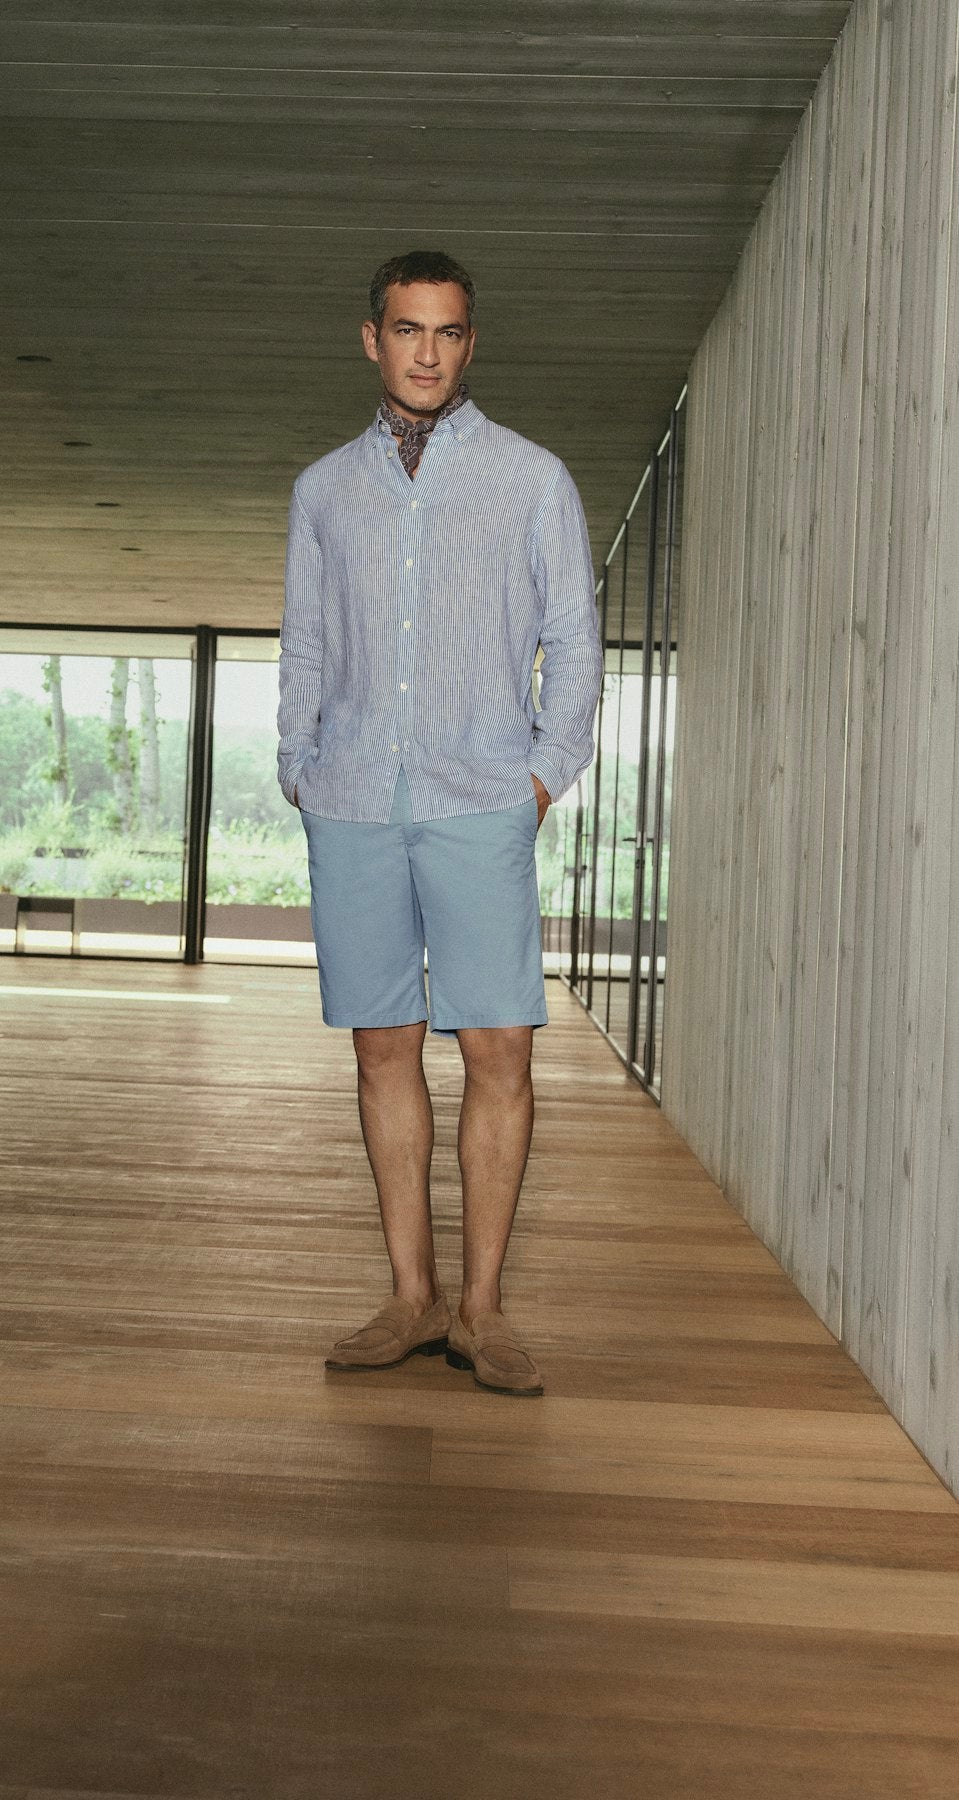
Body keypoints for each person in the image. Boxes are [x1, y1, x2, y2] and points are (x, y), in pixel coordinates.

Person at [276, 249, 603, 1396]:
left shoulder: (531, 479)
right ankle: (410, 1299)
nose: (427, 352)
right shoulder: (324, 491)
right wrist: (299, 766)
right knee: (382, 1046)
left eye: (448, 331)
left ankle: (483, 1312)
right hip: (355, 799)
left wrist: (542, 775)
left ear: (471, 343)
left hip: (483, 797)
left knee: (500, 1046)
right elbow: (306, 640)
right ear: (372, 338)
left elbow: (574, 637)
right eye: (408, 329)